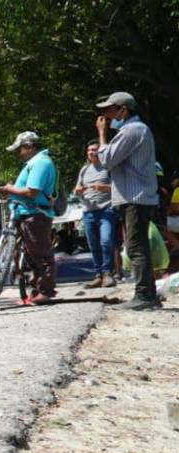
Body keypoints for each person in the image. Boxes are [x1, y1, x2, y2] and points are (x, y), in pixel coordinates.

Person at [95, 91, 161, 309]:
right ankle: (148, 294)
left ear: (123, 110)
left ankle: (144, 296)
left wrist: (102, 134)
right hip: (136, 197)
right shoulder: (136, 129)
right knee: (138, 245)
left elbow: (106, 159)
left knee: (135, 247)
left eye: (110, 111)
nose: (106, 116)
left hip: (135, 198)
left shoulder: (131, 130)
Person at [0, 131, 58, 305]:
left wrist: (9, 189)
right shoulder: (34, 163)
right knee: (32, 256)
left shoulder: (41, 162)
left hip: (35, 215)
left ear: (29, 147)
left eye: (20, 149)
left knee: (41, 254)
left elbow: (32, 191)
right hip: (26, 214)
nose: (18, 154)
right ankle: (37, 290)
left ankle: (45, 291)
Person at [75, 139, 117, 287]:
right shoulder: (84, 170)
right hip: (88, 212)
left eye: (95, 150)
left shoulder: (109, 167)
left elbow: (119, 187)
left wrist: (104, 187)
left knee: (106, 241)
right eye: (89, 150)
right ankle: (98, 274)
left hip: (106, 209)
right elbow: (77, 190)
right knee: (93, 245)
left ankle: (108, 273)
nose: (92, 152)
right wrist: (78, 191)